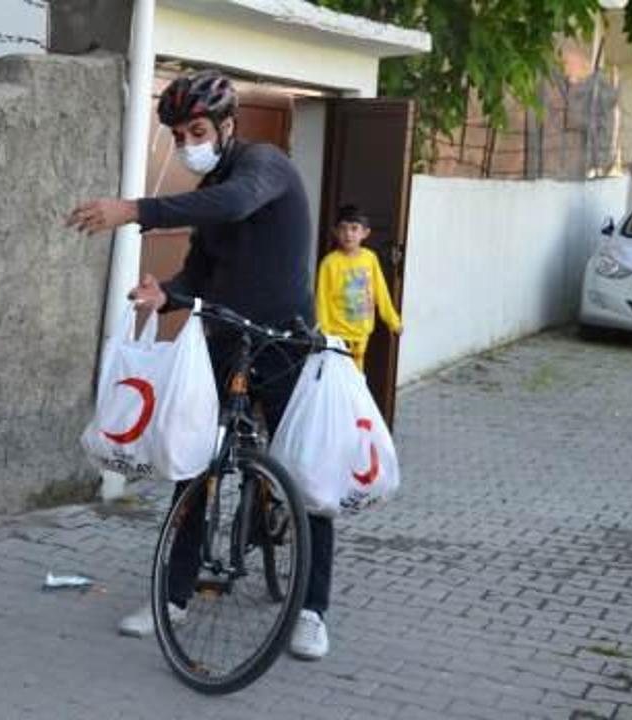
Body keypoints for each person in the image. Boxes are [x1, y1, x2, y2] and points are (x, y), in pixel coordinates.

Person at [68, 71, 334, 660]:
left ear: (227, 127)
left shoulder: (264, 166)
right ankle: (174, 596)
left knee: (307, 478)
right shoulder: (209, 189)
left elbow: (235, 202)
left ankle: (312, 609)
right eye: (179, 133)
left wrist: (135, 208)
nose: (188, 141)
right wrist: (166, 293)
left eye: (197, 130)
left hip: (283, 342)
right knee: (195, 467)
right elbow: (198, 273)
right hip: (222, 341)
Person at [316, 205, 403, 372]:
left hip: (362, 336)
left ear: (365, 233)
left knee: (356, 382)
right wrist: (325, 334)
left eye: (354, 229)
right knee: (339, 384)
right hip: (338, 338)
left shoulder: (370, 258)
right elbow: (322, 301)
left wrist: (393, 321)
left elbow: (381, 292)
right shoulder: (329, 263)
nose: (348, 234)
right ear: (335, 232)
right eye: (343, 228)